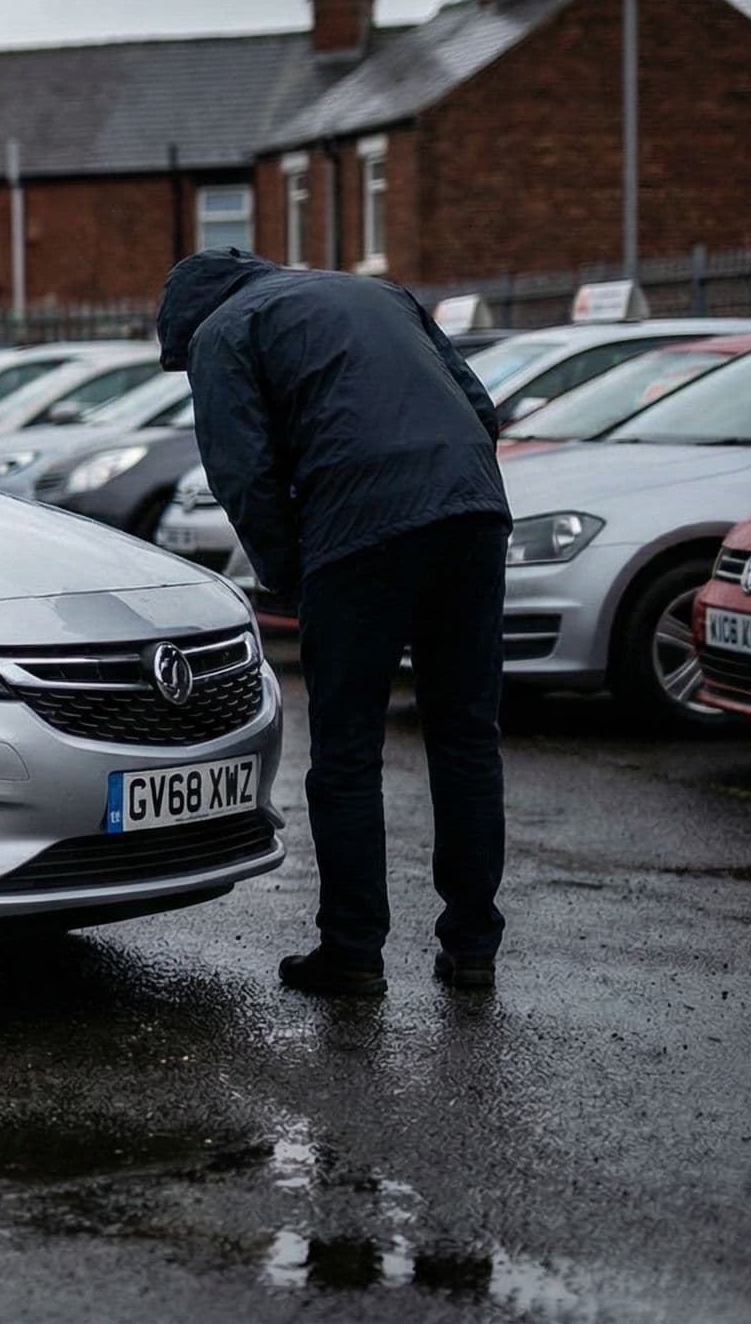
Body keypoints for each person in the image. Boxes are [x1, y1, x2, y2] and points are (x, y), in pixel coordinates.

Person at [157, 249, 510, 998]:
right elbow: (482, 410)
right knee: (466, 735)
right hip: (474, 509)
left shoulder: (221, 333)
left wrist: (288, 571)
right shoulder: (379, 292)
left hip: (360, 527)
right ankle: (473, 946)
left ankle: (352, 953)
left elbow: (242, 472)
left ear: (185, 325)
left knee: (348, 748)